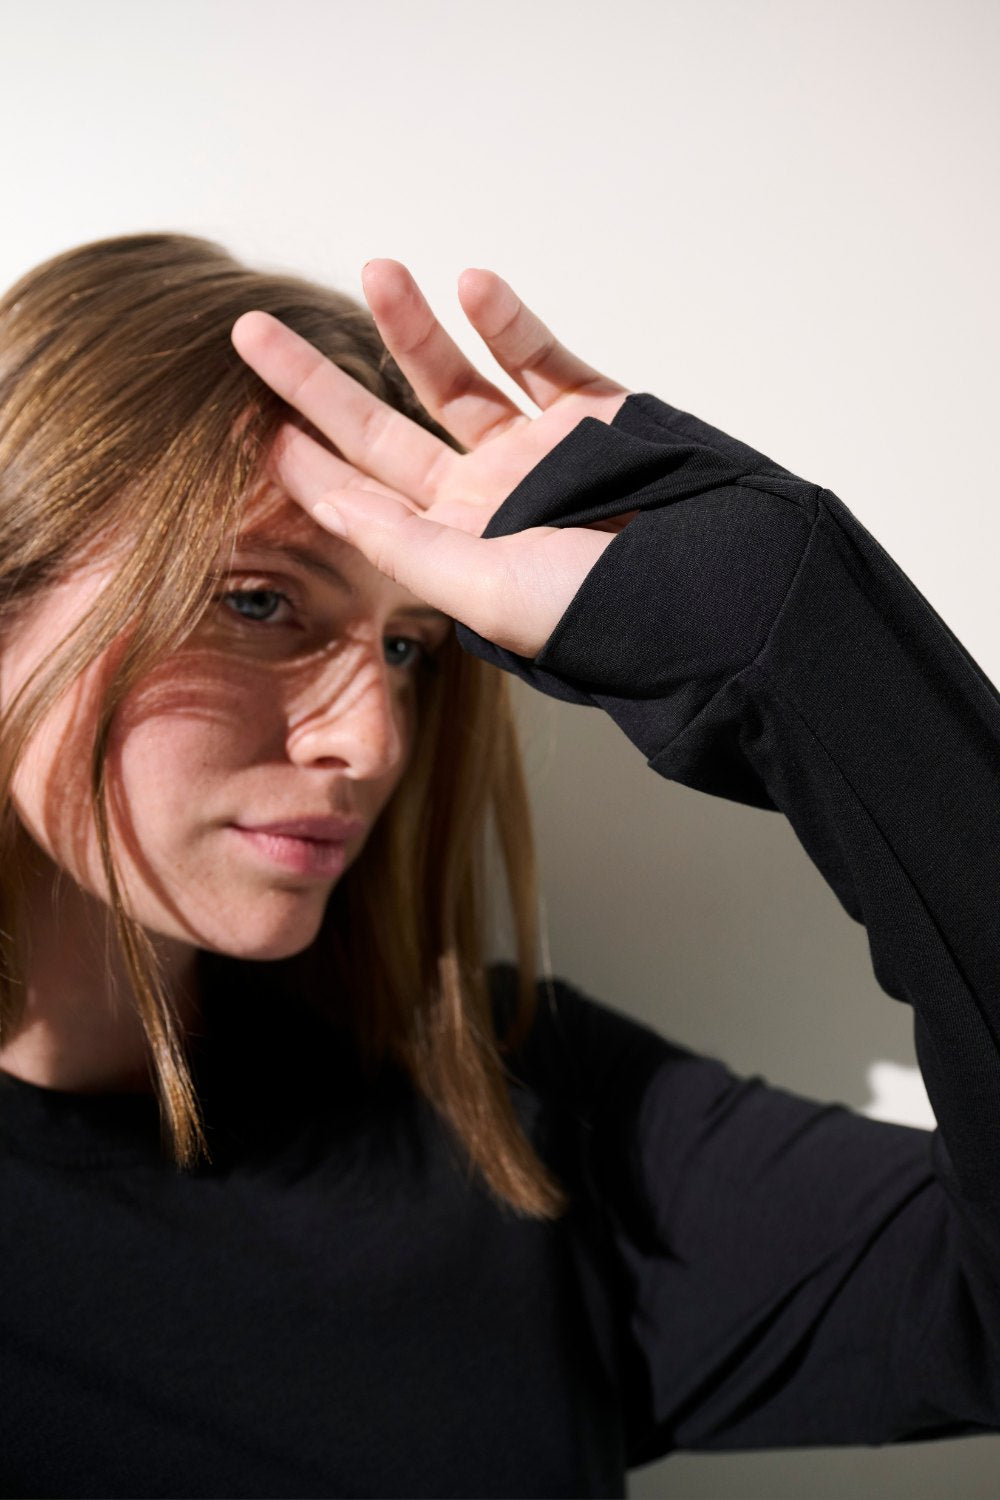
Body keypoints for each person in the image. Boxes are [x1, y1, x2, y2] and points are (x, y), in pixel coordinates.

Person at [0, 234, 997, 1500]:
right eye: (257, 602)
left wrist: (801, 638)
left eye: (411, 648)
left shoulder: (507, 1119)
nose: (370, 741)